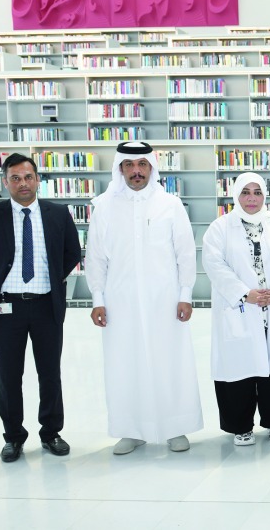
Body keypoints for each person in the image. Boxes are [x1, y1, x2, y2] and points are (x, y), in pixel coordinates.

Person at [85, 141, 203, 455]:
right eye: (129, 165)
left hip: (165, 300)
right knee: (125, 364)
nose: (136, 172)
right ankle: (131, 429)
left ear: (151, 168)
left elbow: (185, 253)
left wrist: (185, 294)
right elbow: (96, 257)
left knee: (169, 361)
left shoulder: (170, 204)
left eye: (142, 165)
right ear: (120, 168)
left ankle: (174, 426)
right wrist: (98, 298)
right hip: (119, 302)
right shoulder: (105, 207)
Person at [0, 153, 82, 462]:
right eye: (15, 178)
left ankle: (51, 432)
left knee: (50, 373)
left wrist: (53, 279)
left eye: (28, 177)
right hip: (8, 308)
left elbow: (72, 252)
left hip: (46, 306)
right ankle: (13, 437)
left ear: (38, 180)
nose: (23, 183)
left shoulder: (58, 214)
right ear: (5, 183)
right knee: (9, 376)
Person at [203, 172, 270, 446]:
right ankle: (240, 426)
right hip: (240, 307)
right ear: (236, 195)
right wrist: (243, 293)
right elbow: (214, 264)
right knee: (240, 366)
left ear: (264, 196)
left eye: (257, 192)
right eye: (246, 192)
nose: (251, 198)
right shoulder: (220, 227)